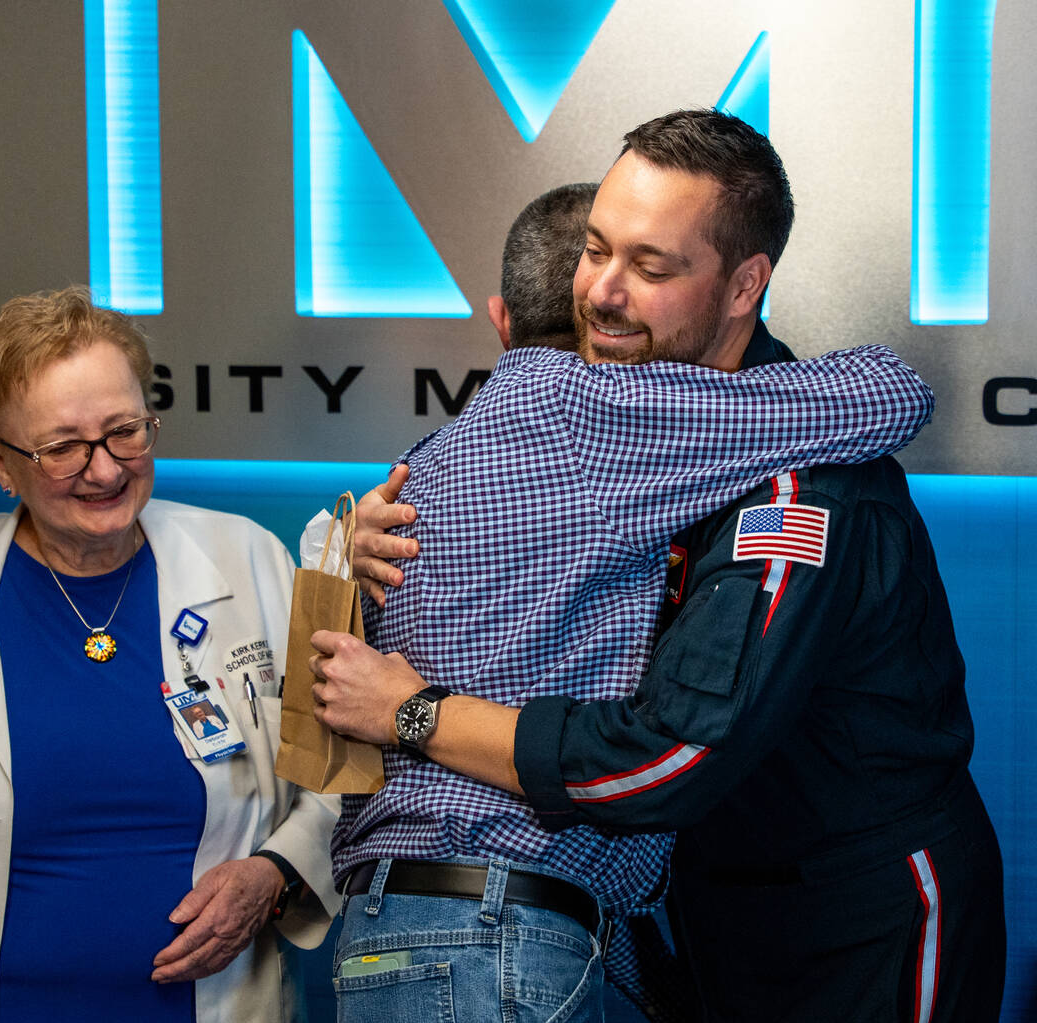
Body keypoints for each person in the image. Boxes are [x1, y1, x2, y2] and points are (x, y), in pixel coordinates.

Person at [312, 110, 1006, 1022]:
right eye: (595, 250)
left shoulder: (803, 481)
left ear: (743, 284)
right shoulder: (610, 420)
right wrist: (362, 546)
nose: (601, 292)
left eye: (650, 267)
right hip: (700, 919)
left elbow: (669, 755)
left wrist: (415, 711)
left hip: (858, 920)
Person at [0, 286, 340, 1023]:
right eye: (63, 447)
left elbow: (337, 771)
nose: (104, 470)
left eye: (124, 432)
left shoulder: (248, 561)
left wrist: (277, 871)